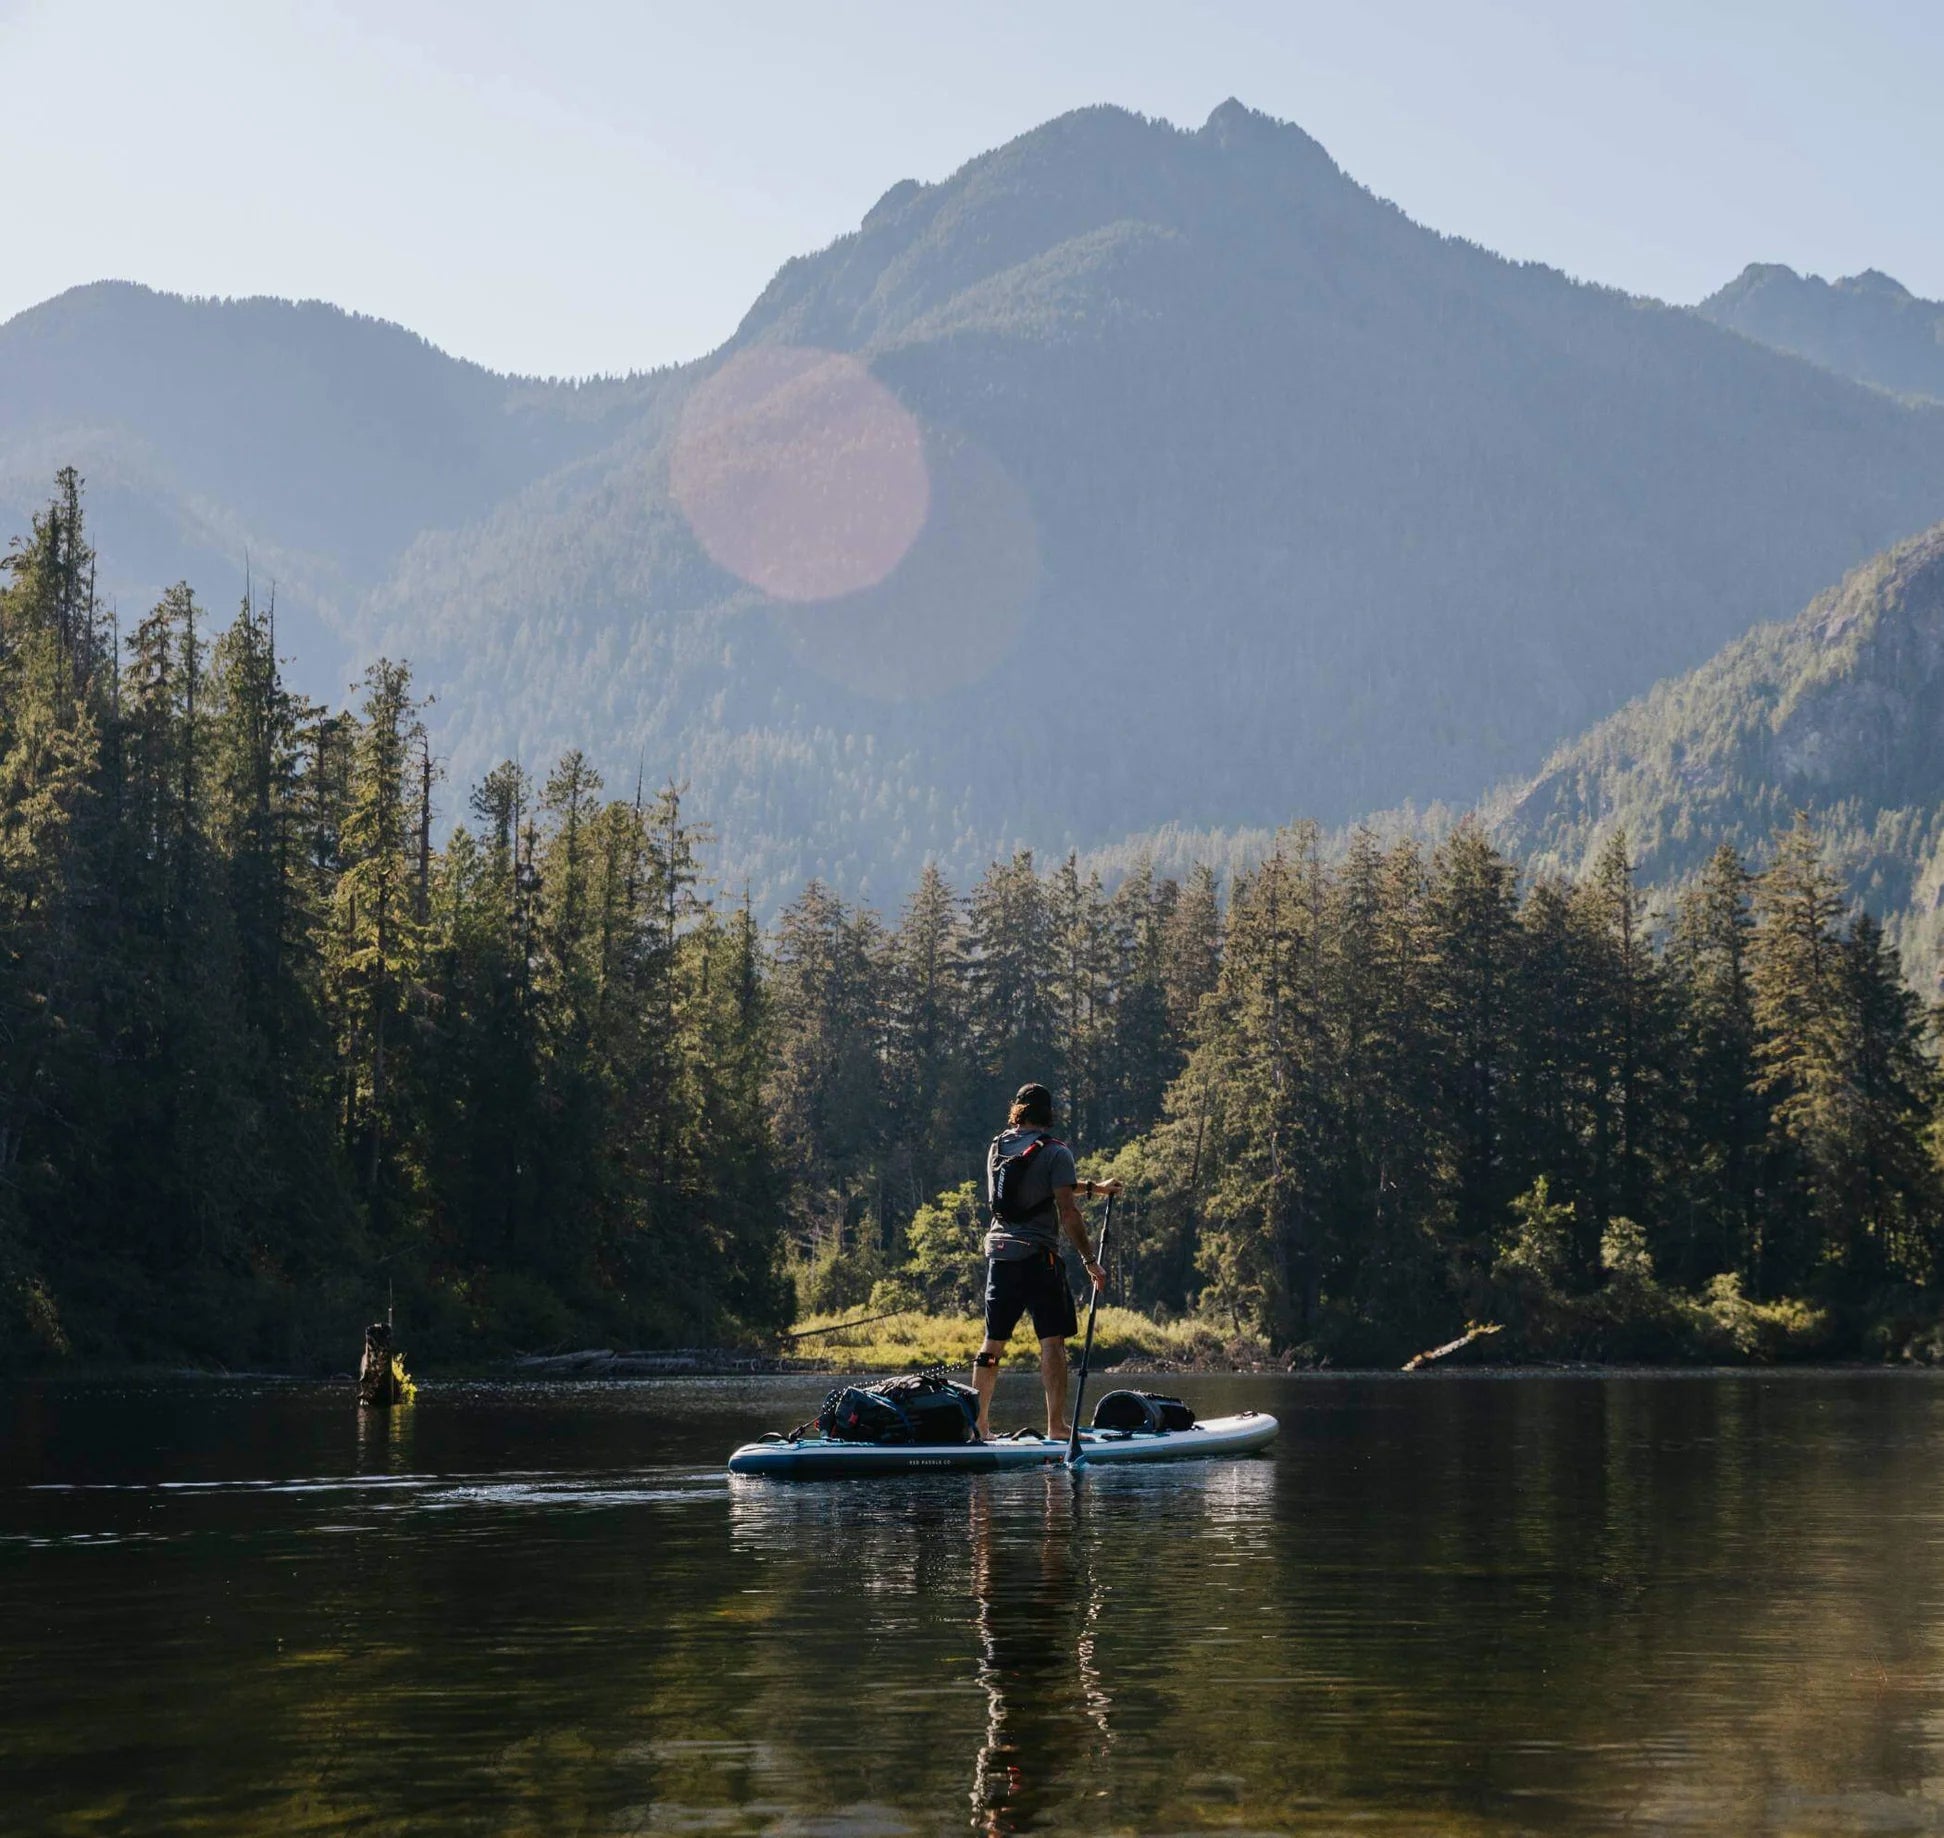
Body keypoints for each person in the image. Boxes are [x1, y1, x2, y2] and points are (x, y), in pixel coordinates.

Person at [971, 1083, 1121, 1441]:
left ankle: (979, 1426)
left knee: (992, 1343)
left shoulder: (997, 1147)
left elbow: (1035, 1190)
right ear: (1049, 1114)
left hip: (1001, 1257)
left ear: (1018, 1110)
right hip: (1040, 1260)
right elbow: (1066, 1211)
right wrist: (1090, 1260)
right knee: (1052, 1342)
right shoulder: (1056, 1152)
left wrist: (1094, 1188)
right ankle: (1056, 1426)